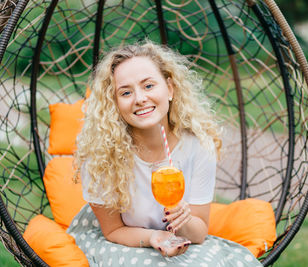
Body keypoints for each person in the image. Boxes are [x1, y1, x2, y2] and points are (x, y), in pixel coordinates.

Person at [68, 40, 262, 266]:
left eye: (148, 86)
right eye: (126, 92)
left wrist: (183, 219)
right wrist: (153, 237)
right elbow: (113, 231)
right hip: (122, 240)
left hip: (179, 241)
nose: (140, 98)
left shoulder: (198, 147)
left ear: (170, 88)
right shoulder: (102, 155)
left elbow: (198, 234)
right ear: (114, 103)